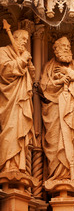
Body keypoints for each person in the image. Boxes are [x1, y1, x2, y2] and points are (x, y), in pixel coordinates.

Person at [40, 36, 74, 180]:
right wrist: (59, 81)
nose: (67, 48)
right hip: (54, 109)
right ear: (55, 50)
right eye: (63, 46)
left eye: (68, 46)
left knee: (70, 138)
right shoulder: (49, 67)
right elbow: (44, 87)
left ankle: (69, 173)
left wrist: (70, 74)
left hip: (71, 109)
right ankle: (57, 174)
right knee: (54, 142)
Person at [0, 29, 35, 173]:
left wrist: (29, 66)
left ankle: (20, 166)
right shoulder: (3, 51)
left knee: (20, 130)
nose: (25, 42)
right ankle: (8, 165)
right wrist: (22, 59)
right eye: (23, 39)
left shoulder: (22, 55)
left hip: (22, 100)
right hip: (9, 100)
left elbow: (31, 78)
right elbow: (6, 71)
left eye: (27, 40)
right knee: (11, 130)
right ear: (14, 38)